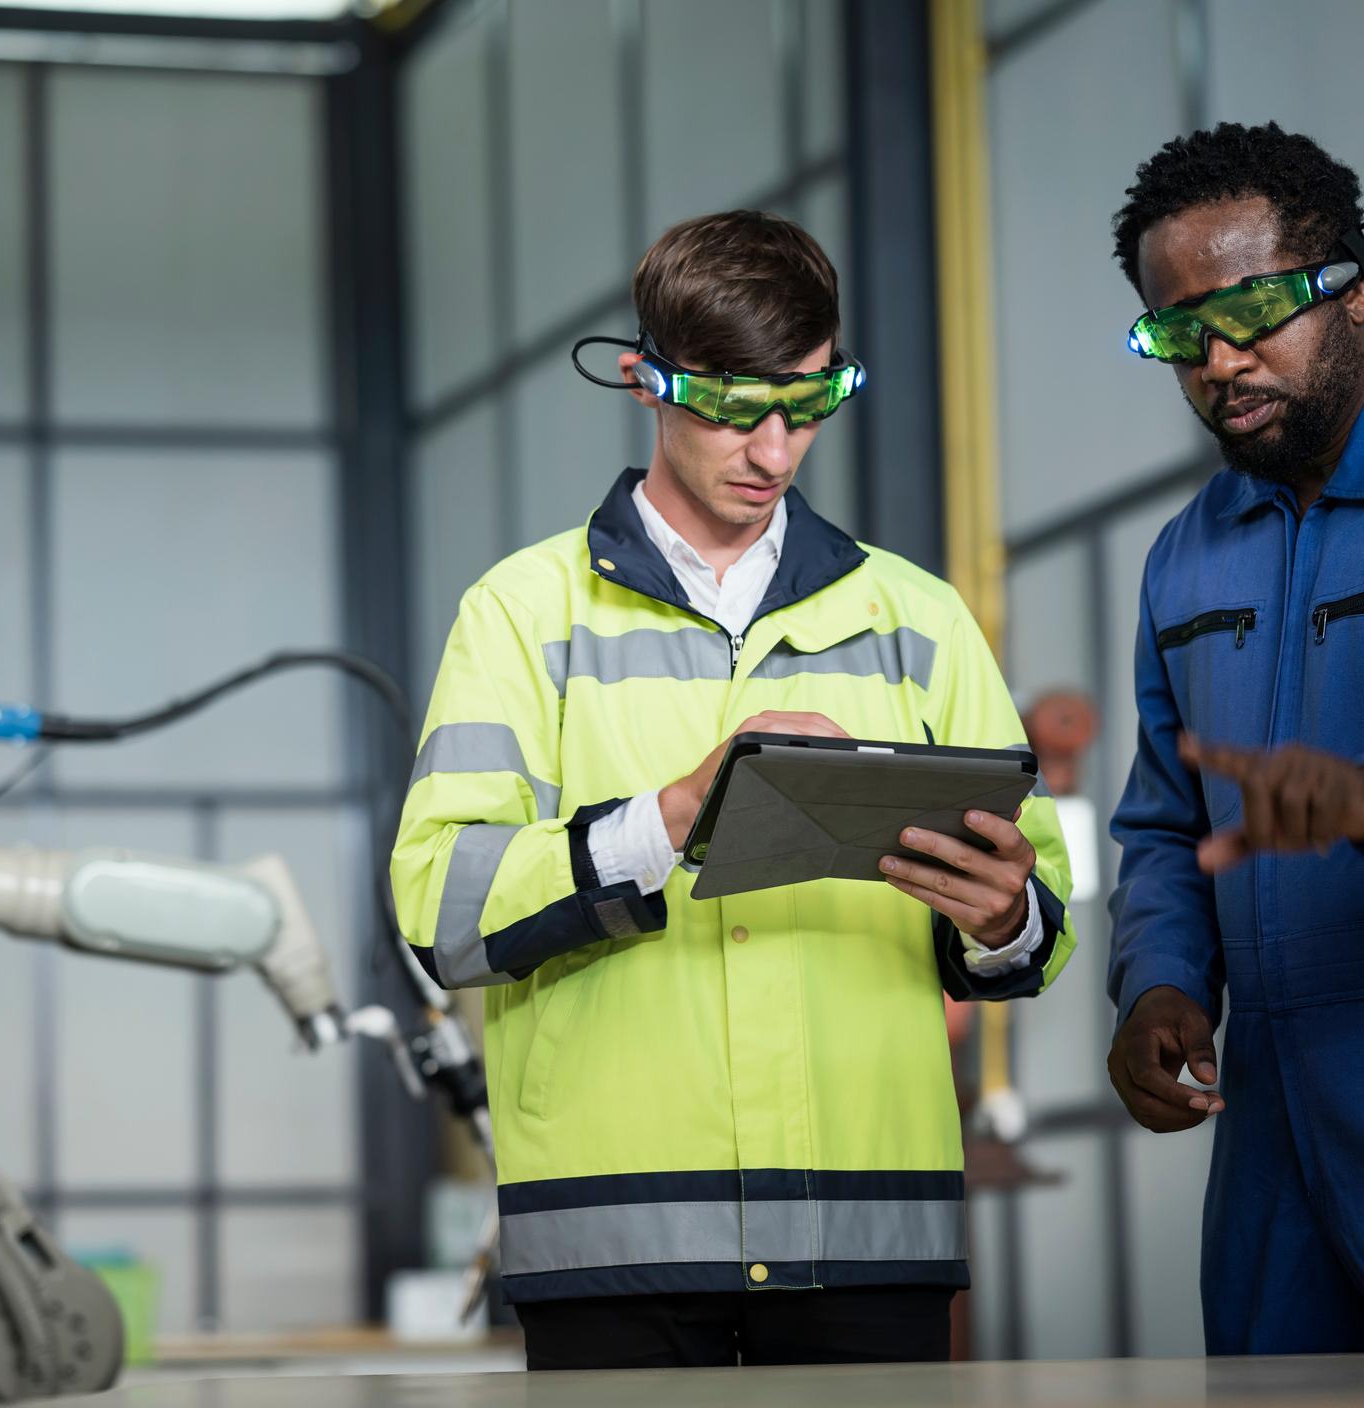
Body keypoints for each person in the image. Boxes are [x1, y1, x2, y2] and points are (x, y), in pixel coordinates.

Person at [392, 209, 1076, 1370]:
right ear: (643, 381)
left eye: (808, 403)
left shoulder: (916, 618)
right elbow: (439, 905)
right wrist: (669, 818)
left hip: (870, 1237)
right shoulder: (521, 614)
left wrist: (1006, 916)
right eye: (736, 408)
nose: (775, 450)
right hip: (616, 1243)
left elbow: (1042, 907)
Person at [1106, 122, 1364, 1354]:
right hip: (1268, 1122)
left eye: (1254, 308)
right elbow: (1161, 817)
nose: (1218, 358)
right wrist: (1157, 983)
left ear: (1353, 294)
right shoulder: (1183, 556)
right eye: (1176, 332)